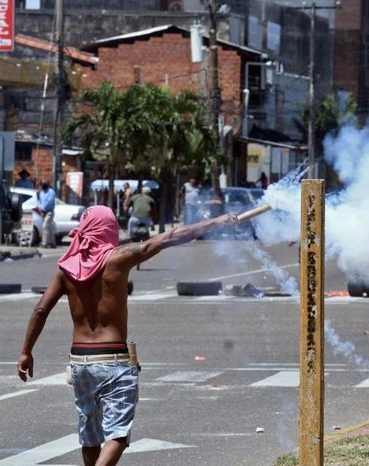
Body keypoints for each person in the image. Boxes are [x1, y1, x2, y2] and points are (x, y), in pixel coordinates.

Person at [16, 206, 237, 466]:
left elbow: (41, 309)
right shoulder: (118, 258)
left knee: (90, 435)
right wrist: (216, 221)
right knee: (118, 435)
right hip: (113, 359)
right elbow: (168, 237)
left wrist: (26, 352)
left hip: (80, 362)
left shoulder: (66, 269)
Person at [36, 180, 57, 248]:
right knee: (49, 227)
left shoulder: (51, 192)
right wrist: (40, 209)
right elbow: (39, 202)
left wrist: (44, 210)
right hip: (43, 212)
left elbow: (50, 202)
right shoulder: (41, 192)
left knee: (45, 226)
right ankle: (52, 243)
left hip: (49, 212)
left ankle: (44, 243)